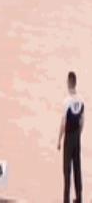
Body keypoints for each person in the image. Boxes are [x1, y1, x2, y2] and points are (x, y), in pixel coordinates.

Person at [58, 71, 84, 203]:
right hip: (77, 136)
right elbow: (82, 121)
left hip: (68, 138)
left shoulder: (66, 102)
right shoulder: (81, 100)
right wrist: (78, 135)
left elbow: (63, 123)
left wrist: (59, 140)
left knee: (67, 170)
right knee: (77, 168)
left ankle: (66, 200)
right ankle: (79, 197)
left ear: (68, 83)